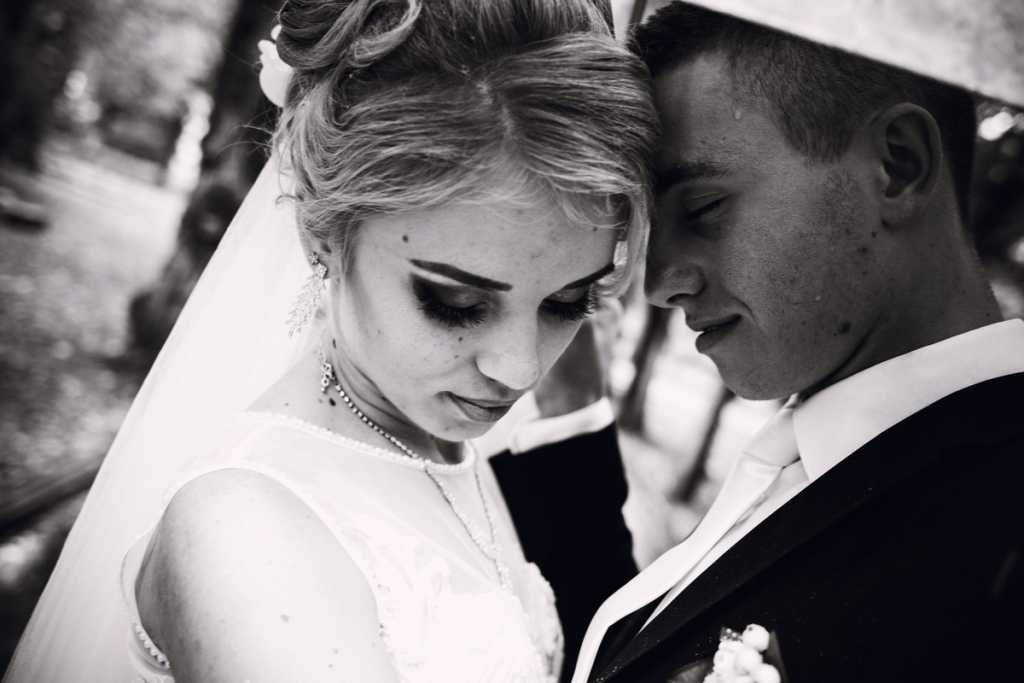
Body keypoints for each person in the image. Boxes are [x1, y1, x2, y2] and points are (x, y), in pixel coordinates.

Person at [3, 2, 655, 681]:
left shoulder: (446, 442)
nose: (519, 369)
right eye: (454, 303)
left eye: (567, 303)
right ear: (325, 231)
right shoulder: (243, 531)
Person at [571, 2, 1024, 682]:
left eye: (704, 209)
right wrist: (564, 424)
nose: (660, 283)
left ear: (898, 164)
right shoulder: (822, 451)